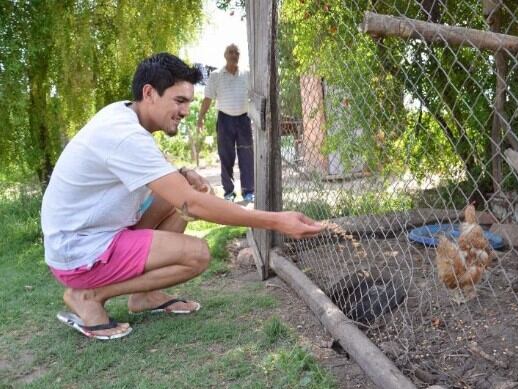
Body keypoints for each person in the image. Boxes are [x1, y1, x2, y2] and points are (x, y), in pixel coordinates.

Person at [41, 52, 323, 340]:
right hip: (80, 252)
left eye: (188, 101)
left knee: (183, 190)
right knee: (197, 255)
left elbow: (158, 180)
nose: (187, 111)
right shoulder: (125, 135)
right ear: (149, 93)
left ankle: (144, 295)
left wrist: (182, 172)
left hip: (90, 236)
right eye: (179, 101)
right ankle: (89, 295)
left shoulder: (123, 116)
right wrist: (276, 221)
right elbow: (193, 205)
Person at [196, 44, 254, 203]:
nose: (234, 55)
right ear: (225, 55)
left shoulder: (247, 74)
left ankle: (249, 191)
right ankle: (229, 193)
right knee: (226, 156)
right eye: (231, 52)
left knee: (247, 156)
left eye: (237, 52)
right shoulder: (215, 75)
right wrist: (200, 118)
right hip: (225, 120)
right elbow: (207, 99)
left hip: (243, 119)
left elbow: (254, 95)